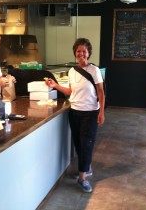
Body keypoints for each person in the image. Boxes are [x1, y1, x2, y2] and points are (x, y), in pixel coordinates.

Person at [45, 38, 105, 193]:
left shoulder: (94, 70)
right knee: (78, 143)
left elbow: (101, 92)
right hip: (75, 111)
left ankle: (82, 178)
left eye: (84, 51)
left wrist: (102, 112)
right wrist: (55, 85)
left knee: (86, 143)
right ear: (75, 53)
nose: (81, 54)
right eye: (78, 51)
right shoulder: (72, 71)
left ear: (89, 53)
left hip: (90, 112)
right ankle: (87, 167)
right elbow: (71, 91)